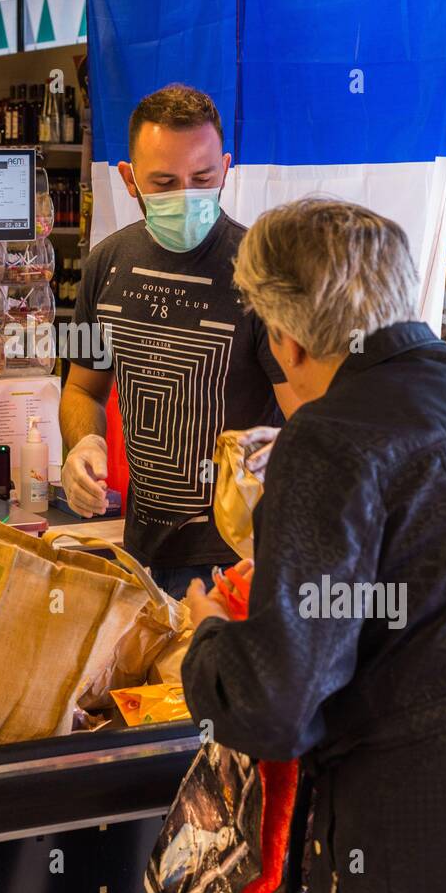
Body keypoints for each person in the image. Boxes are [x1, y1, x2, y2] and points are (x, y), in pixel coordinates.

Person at [182, 197, 446, 893]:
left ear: (282, 337)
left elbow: (275, 706)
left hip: (408, 861)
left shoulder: (330, 438)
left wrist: (209, 639)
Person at [59, 83, 298, 598]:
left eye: (203, 178)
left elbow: (305, 421)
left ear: (226, 169)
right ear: (129, 179)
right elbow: (82, 390)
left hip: (239, 560)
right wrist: (83, 444)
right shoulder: (104, 264)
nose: (186, 195)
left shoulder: (262, 273)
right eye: (164, 182)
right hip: (140, 549)